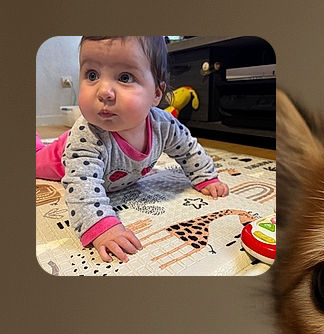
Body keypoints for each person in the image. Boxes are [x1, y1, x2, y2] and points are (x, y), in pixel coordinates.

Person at [36, 36, 229, 263]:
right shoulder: (88, 135)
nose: (104, 91)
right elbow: (80, 185)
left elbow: (189, 149)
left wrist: (205, 177)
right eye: (92, 75)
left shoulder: (164, 125)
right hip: (60, 158)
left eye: (125, 77)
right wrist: (102, 226)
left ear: (157, 94)